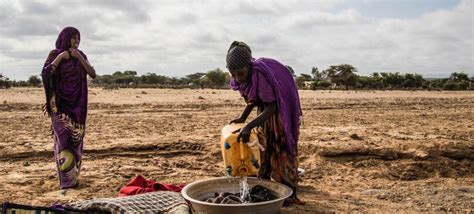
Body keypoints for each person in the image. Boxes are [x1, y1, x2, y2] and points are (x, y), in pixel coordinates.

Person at [227, 41, 304, 205]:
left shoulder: (259, 74)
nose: (237, 78)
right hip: (263, 114)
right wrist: (243, 118)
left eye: (240, 74)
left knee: (280, 149)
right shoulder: (242, 78)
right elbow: (252, 99)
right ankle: (264, 187)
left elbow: (273, 105)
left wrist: (249, 125)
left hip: (279, 114)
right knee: (262, 150)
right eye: (233, 74)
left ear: (249, 66)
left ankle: (288, 192)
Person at [41, 26, 96, 189]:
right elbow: (45, 73)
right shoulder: (54, 54)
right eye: (73, 38)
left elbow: (92, 73)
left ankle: (72, 178)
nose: (76, 41)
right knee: (64, 140)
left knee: (75, 141)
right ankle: (65, 182)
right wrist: (60, 58)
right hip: (59, 107)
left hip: (77, 108)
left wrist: (79, 57)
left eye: (78, 39)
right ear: (65, 38)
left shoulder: (81, 56)